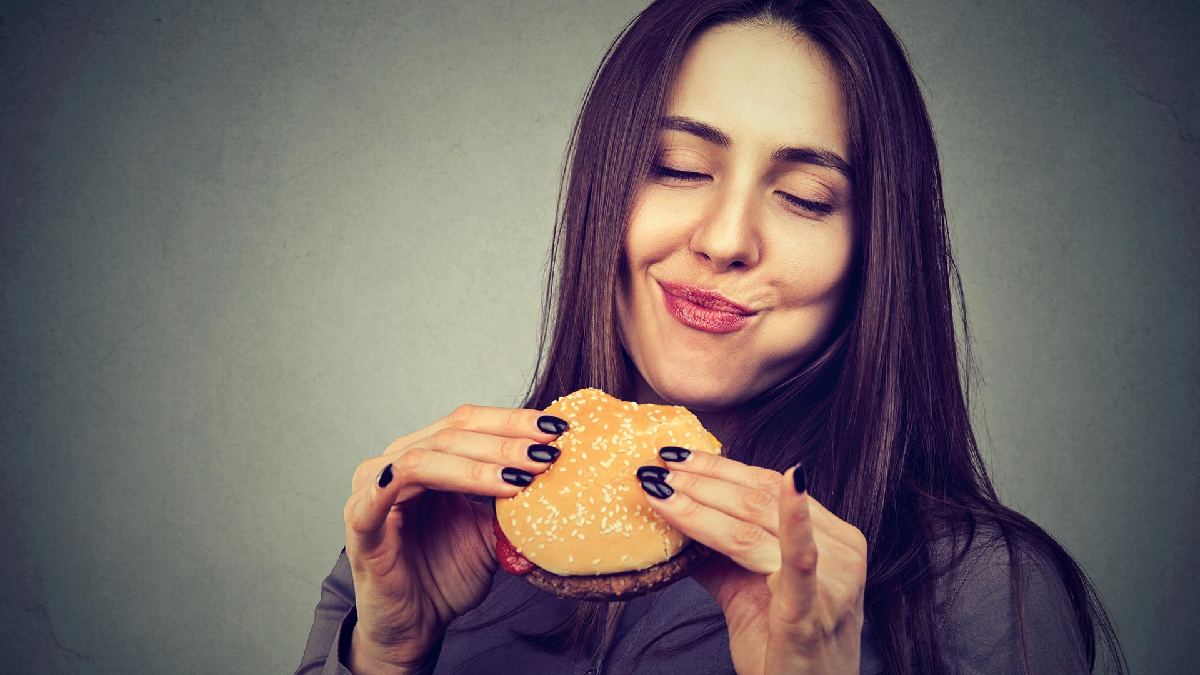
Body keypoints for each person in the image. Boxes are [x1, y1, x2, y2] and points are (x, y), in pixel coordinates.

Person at [295, 0, 1126, 673]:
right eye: (680, 167)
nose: (727, 238)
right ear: (601, 192)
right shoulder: (421, 538)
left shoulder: (988, 591)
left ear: (874, 248)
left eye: (803, 195)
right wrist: (385, 653)